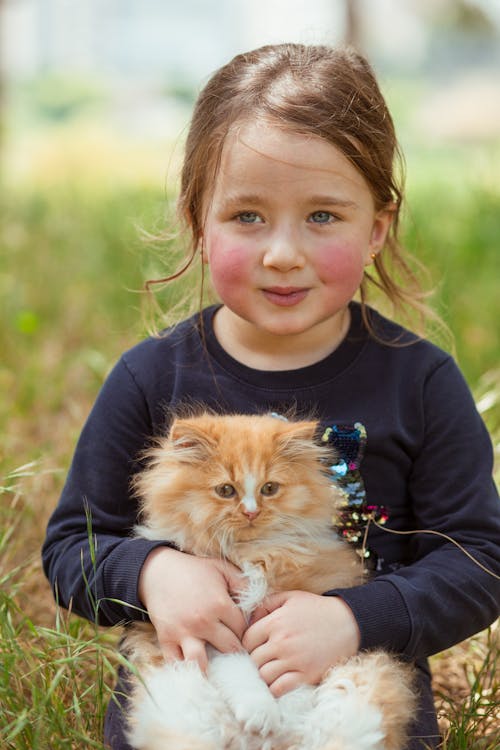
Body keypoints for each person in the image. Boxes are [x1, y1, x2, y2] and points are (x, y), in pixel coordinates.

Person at [42, 43, 500, 750]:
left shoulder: (421, 383)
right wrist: (153, 573)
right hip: (191, 714)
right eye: (248, 216)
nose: (282, 252)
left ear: (376, 227)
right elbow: (74, 544)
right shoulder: (149, 378)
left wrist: (354, 618)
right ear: (198, 222)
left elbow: (479, 558)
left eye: (322, 216)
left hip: (348, 716)